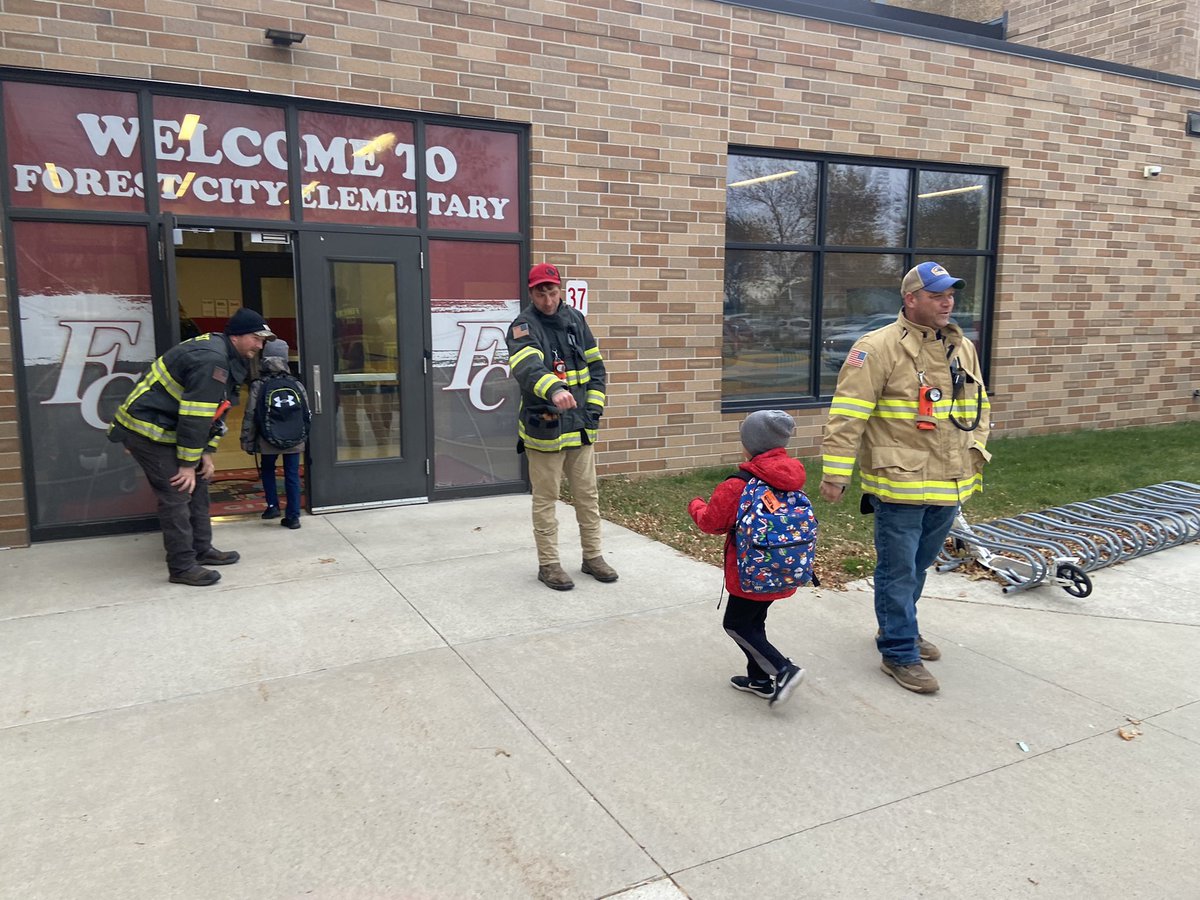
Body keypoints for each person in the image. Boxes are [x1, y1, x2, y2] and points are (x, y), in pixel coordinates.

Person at [819, 261, 991, 694]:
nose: (947, 301)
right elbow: (848, 415)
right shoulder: (876, 348)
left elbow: (980, 406)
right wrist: (836, 473)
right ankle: (898, 652)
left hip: (948, 482)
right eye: (936, 295)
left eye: (950, 294)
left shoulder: (961, 347)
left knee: (916, 568)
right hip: (898, 483)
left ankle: (902, 630)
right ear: (910, 299)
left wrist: (977, 451)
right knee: (897, 571)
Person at [108, 307, 275, 586]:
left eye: (263, 340)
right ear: (236, 336)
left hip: (170, 428)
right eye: (256, 338)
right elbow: (195, 415)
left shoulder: (227, 356)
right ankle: (182, 566)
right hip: (148, 431)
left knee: (198, 485)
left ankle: (202, 549)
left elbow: (217, 410)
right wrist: (187, 464)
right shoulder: (212, 359)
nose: (260, 345)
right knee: (177, 493)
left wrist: (206, 454)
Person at [506, 262, 616, 591]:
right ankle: (549, 564)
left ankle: (593, 557)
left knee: (587, 496)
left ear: (561, 290)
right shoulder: (522, 326)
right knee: (546, 499)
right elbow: (526, 367)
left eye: (552, 291)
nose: (548, 299)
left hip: (581, 427)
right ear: (531, 293)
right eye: (541, 292)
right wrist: (554, 389)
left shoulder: (576, 320)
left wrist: (593, 408)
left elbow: (596, 367)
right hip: (545, 430)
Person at [687, 410, 807, 708]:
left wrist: (696, 505)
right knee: (755, 623)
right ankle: (758, 679)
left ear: (749, 443)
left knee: (736, 625)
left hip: (749, 571)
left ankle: (783, 670)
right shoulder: (790, 477)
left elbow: (711, 523)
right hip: (781, 567)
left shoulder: (739, 484)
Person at [241, 339, 309, 530]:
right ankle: (293, 516)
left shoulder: (259, 385)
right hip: (294, 438)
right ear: (286, 359)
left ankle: (272, 506)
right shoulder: (296, 383)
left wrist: (247, 440)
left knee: (268, 469)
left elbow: (250, 415)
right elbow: (306, 413)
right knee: (292, 474)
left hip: (267, 437)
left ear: (264, 358)